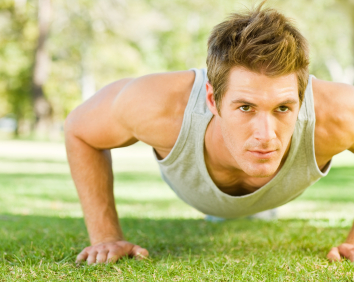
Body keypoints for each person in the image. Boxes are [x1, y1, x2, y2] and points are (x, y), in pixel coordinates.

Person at [64, 2, 354, 265]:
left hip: (277, 193)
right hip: (194, 184)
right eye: (245, 107)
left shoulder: (338, 112)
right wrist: (105, 238)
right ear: (213, 100)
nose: (266, 135)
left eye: (282, 108)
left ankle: (258, 208)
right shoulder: (156, 105)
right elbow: (79, 128)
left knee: (257, 214)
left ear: (301, 101)